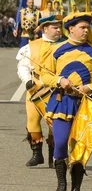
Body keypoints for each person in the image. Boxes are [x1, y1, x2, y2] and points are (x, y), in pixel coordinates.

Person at [41, 12, 92, 191]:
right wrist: (60, 80)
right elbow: (44, 75)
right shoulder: (57, 50)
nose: (86, 31)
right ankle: (61, 184)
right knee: (61, 142)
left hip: (86, 104)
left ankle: (76, 190)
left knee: (81, 149)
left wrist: (89, 88)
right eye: (82, 27)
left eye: (87, 27)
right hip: (62, 102)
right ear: (71, 29)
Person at [15, 14, 65, 167]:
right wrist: (28, 81)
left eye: (59, 27)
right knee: (32, 121)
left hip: (57, 88)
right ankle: (37, 154)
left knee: (55, 122)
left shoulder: (66, 45)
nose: (58, 30)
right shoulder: (31, 46)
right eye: (54, 27)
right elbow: (22, 66)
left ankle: (53, 156)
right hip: (36, 88)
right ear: (45, 28)